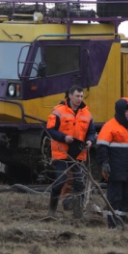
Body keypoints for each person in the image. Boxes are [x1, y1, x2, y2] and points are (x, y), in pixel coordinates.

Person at [45, 85, 95, 218]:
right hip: (62, 153)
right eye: (77, 96)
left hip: (79, 153)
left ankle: (78, 214)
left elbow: (91, 132)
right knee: (60, 181)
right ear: (70, 96)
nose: (79, 99)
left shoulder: (87, 113)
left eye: (81, 96)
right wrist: (64, 138)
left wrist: (90, 141)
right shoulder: (58, 111)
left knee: (79, 182)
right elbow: (50, 130)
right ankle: (52, 210)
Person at [95, 97, 128, 228]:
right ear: (120, 111)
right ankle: (112, 225)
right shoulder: (109, 126)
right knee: (115, 198)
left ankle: (121, 223)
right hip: (115, 170)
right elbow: (101, 147)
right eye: (126, 111)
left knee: (126, 198)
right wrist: (104, 164)